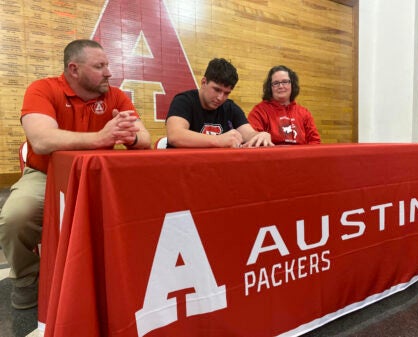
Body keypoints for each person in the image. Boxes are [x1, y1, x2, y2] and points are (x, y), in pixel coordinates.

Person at [0, 39, 151, 310]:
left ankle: (130, 274)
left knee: (148, 208)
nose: (108, 72)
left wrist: (130, 136)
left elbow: (144, 138)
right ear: (74, 69)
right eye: (100, 66)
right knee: (16, 217)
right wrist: (101, 137)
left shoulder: (115, 96)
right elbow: (42, 141)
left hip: (100, 177)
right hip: (48, 175)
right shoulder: (42, 89)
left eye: (108, 65)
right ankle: (26, 279)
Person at [165, 58, 273, 148]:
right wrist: (217, 140)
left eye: (226, 93)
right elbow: (175, 135)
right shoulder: (184, 100)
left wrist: (260, 135)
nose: (220, 98)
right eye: (216, 90)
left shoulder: (230, 107)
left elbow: (248, 134)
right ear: (203, 82)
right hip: (184, 168)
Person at [248, 65, 321, 145]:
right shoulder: (259, 111)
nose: (281, 86)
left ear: (292, 85)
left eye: (285, 82)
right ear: (270, 87)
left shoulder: (304, 113)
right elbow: (253, 141)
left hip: (301, 156)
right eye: (276, 83)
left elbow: (315, 141)